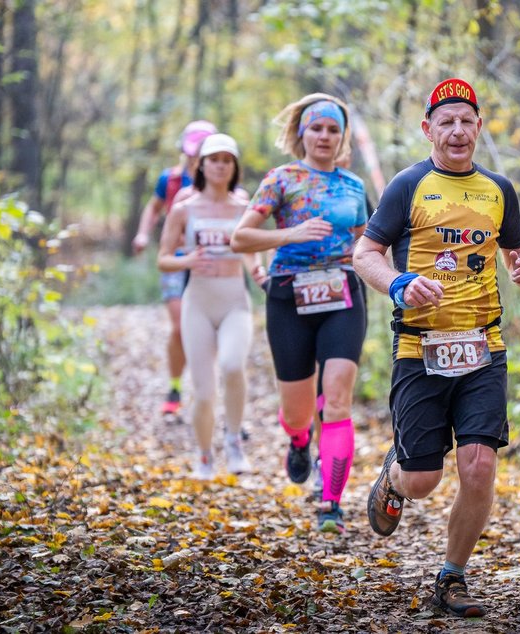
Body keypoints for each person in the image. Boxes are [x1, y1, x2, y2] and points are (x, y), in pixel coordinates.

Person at [352, 78, 520, 617]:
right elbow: (365, 253)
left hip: (484, 346)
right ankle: (394, 474)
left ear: (479, 128)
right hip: (420, 347)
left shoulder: (498, 189)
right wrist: (398, 283)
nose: (457, 131)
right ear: (428, 129)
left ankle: (451, 577)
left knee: (479, 465)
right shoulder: (408, 185)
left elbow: (517, 253)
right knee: (423, 480)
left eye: (466, 121)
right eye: (447, 122)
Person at [231, 93, 368, 533]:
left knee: (338, 397)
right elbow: (240, 239)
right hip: (290, 297)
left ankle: (331, 505)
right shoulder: (282, 179)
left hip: (343, 295)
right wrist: (292, 234)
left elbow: (369, 244)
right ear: (302, 133)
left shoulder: (354, 186)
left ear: (340, 137)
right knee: (297, 409)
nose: (324, 136)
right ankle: (298, 438)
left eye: (333, 129)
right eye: (317, 128)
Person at [157, 133, 266, 479]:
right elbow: (163, 260)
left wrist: (259, 272)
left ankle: (233, 440)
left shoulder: (243, 207)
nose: (220, 166)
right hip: (198, 303)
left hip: (234, 298)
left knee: (233, 366)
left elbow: (250, 250)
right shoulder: (184, 208)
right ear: (201, 165)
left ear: (234, 167)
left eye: (227, 160)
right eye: (213, 159)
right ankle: (204, 455)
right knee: (203, 390)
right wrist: (186, 259)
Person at [133, 120, 218, 418]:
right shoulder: (169, 179)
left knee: (209, 328)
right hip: (175, 260)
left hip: (209, 262)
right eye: (193, 153)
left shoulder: (221, 179)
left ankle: (206, 389)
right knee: (181, 325)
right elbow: (153, 207)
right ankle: (174, 386)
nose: (197, 159)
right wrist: (144, 234)